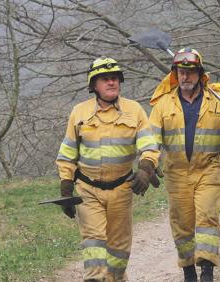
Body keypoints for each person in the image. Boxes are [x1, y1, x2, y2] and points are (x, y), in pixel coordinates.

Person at [56, 56, 161, 281]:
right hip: (88, 190)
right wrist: (66, 186)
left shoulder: (134, 111)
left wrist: (145, 167)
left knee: (119, 250)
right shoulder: (79, 113)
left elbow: (149, 146)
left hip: (122, 190)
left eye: (114, 78)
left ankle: (115, 277)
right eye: (105, 79)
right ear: (94, 85)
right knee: (93, 242)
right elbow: (67, 154)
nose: (111, 83)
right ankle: (94, 277)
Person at [149, 47, 220, 282]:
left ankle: (207, 270)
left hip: (209, 169)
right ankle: (188, 270)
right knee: (182, 225)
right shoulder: (163, 104)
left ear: (200, 74)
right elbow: (151, 139)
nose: (185, 77)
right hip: (176, 173)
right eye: (181, 71)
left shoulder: (218, 100)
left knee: (207, 218)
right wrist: (148, 163)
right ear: (175, 73)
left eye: (190, 72)